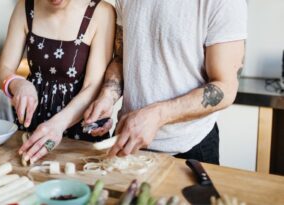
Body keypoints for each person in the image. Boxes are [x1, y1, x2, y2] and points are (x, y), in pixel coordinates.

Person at [84, 0, 247, 164]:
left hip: (190, 148)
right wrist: (108, 96)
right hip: (127, 140)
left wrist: (157, 115)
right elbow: (122, 57)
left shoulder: (224, 3)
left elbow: (225, 88)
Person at [0, 0, 115, 164]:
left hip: (79, 131)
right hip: (33, 129)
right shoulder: (25, 7)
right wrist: (18, 84)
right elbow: (4, 69)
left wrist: (57, 125)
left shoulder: (101, 12)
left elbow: (93, 85)